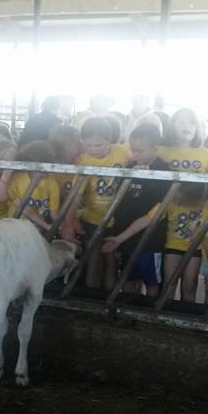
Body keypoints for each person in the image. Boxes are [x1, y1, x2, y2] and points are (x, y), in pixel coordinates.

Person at [104, 181, 208, 302]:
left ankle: (187, 315)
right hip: (173, 247)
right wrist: (119, 238)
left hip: (195, 248)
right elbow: (146, 220)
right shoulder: (169, 202)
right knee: (170, 284)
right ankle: (166, 313)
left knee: (189, 285)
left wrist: (200, 231)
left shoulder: (206, 206)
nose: (175, 193)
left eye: (178, 191)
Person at [101, 123, 171, 296]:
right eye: (133, 149)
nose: (134, 154)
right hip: (126, 236)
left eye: (140, 151)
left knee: (152, 281)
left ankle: (148, 317)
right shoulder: (131, 166)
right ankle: (127, 313)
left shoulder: (164, 171)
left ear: (155, 148)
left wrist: (147, 177)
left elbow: (157, 209)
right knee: (127, 278)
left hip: (150, 239)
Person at [62, 117, 131, 290]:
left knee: (112, 259)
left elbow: (136, 163)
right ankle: (91, 297)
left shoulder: (122, 152)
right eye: (89, 145)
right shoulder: (83, 161)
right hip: (93, 217)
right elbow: (76, 195)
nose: (93, 150)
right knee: (93, 256)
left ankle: (109, 299)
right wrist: (69, 223)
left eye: (98, 145)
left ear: (109, 140)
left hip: (120, 215)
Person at [2, 140, 62, 232]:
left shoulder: (52, 183)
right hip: (16, 226)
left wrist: (61, 227)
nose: (44, 171)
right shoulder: (17, 179)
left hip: (37, 229)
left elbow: (54, 212)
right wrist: (46, 226)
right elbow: (23, 208)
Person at [158, 108, 208, 174]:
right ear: (172, 126)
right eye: (181, 122)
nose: (186, 126)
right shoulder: (160, 152)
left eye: (192, 123)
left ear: (197, 128)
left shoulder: (206, 153)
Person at [48, 124, 84, 205]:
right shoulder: (52, 169)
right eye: (78, 142)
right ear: (67, 147)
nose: (82, 144)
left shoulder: (82, 160)